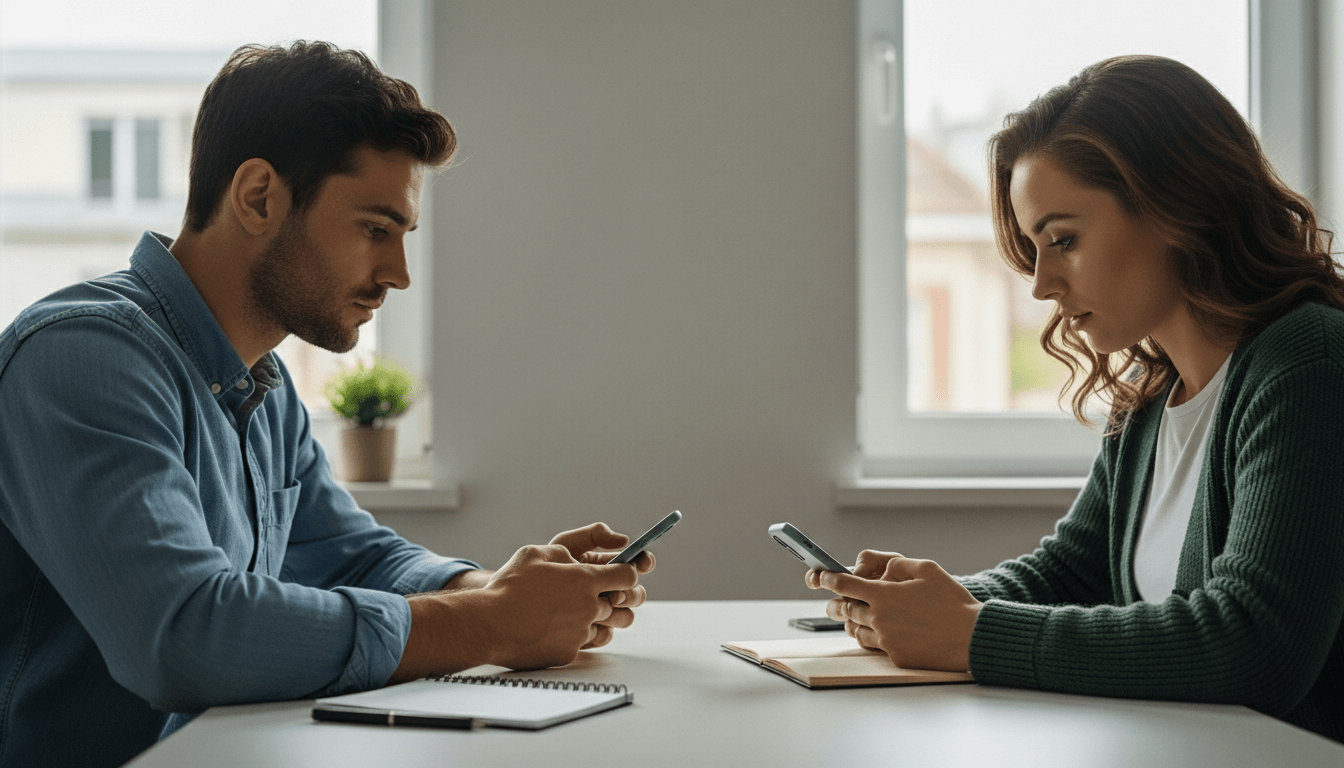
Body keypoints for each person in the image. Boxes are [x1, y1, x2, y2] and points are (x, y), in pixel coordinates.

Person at [0, 42, 653, 768]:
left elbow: (350, 555)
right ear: (258, 198)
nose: (398, 275)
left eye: (403, 237)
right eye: (375, 229)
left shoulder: (261, 385)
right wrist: (489, 624)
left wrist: (501, 590)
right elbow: (184, 638)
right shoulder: (82, 356)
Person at [808, 55, 1344, 742]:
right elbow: (1074, 571)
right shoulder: (1150, 402)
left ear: (1178, 203)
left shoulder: (1310, 364)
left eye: (1064, 240)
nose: (1040, 286)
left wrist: (969, 633)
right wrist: (930, 605)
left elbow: (1255, 642)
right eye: (1034, 250)